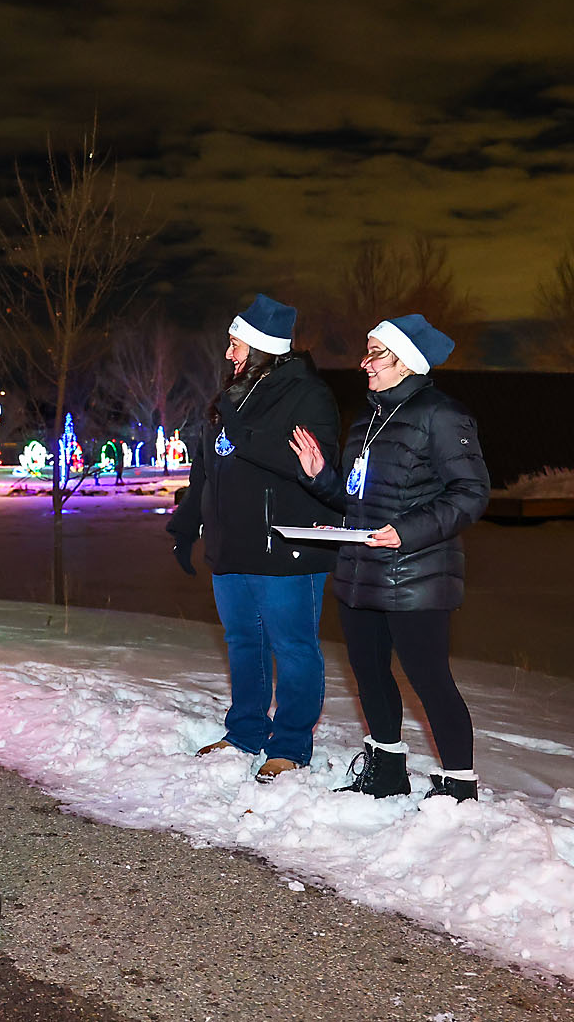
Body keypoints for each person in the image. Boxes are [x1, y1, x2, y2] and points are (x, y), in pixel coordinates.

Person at [289, 314, 490, 802]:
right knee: (370, 674)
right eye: (368, 351)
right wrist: (321, 478)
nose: (365, 363)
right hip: (362, 571)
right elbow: (359, 498)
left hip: (418, 575)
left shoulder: (442, 414)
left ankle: (460, 785)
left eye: (376, 353)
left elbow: (471, 493)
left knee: (429, 678)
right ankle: (386, 769)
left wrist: (405, 532)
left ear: (407, 363)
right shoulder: (369, 418)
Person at [166, 294, 342, 783]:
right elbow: (207, 467)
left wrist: (241, 429)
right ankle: (245, 732)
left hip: (285, 549)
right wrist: (185, 523)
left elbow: (315, 469)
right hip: (231, 546)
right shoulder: (232, 395)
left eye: (234, 343)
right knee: (243, 641)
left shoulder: (308, 395)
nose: (228, 354)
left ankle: (290, 745)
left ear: (262, 346)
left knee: (293, 646)